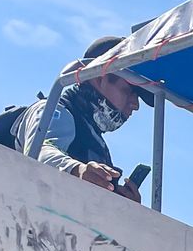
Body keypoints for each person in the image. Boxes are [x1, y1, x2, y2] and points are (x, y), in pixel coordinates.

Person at [13, 36, 149, 200]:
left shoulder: (95, 140)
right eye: (130, 90)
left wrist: (119, 202)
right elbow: (41, 150)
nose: (135, 105)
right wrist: (78, 170)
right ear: (98, 78)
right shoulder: (54, 112)